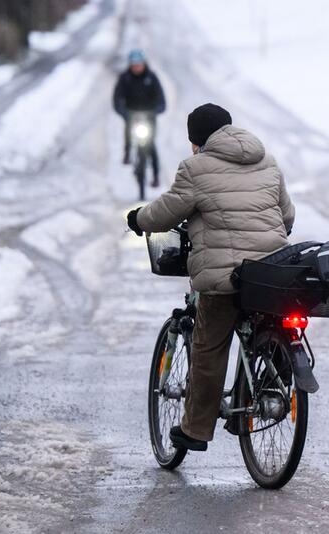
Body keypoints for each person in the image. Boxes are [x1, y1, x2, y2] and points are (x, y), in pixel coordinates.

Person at [126, 103, 295, 451]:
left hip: (226, 277)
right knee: (268, 320)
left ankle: (195, 430)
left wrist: (138, 218)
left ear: (197, 141)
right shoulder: (267, 160)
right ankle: (269, 385)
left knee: (208, 346)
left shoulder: (195, 168)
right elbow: (287, 216)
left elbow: (165, 212)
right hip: (272, 272)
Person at [113, 49, 166, 187]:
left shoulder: (152, 77)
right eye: (134, 64)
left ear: (144, 64)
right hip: (132, 114)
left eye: (139, 64)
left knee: (151, 145)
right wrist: (122, 111)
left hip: (149, 116)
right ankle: (127, 154)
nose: (137, 67)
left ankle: (155, 176)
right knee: (128, 134)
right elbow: (117, 98)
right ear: (130, 65)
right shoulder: (125, 78)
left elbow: (161, 99)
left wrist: (158, 110)